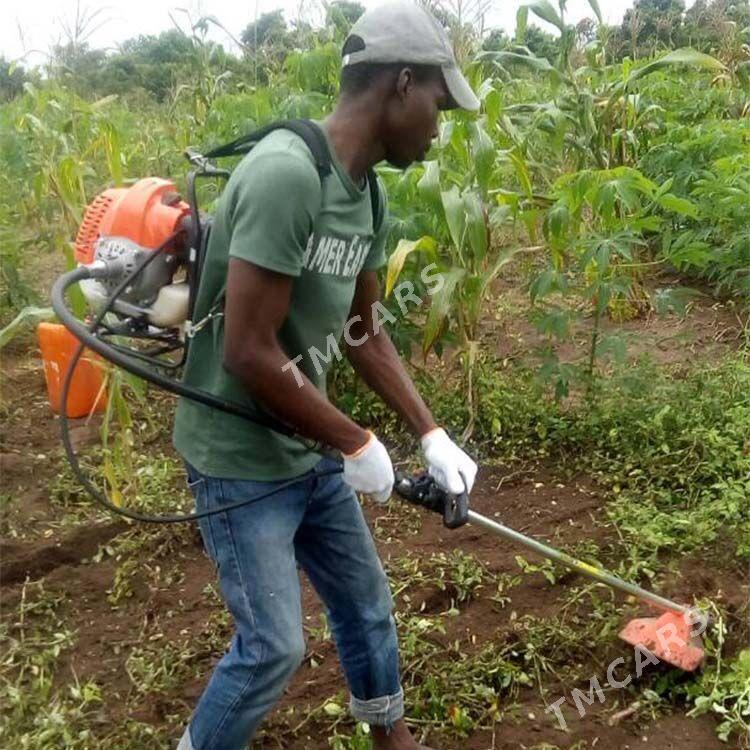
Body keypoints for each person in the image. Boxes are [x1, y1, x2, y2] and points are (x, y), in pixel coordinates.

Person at [173, 2, 479, 748]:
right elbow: (247, 351)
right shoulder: (287, 175)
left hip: (304, 441)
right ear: (401, 85)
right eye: (438, 104)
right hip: (239, 455)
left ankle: (390, 739)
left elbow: (363, 330)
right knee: (274, 646)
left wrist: (428, 433)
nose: (438, 127)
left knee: (366, 603)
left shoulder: (365, 191)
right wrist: (355, 443)